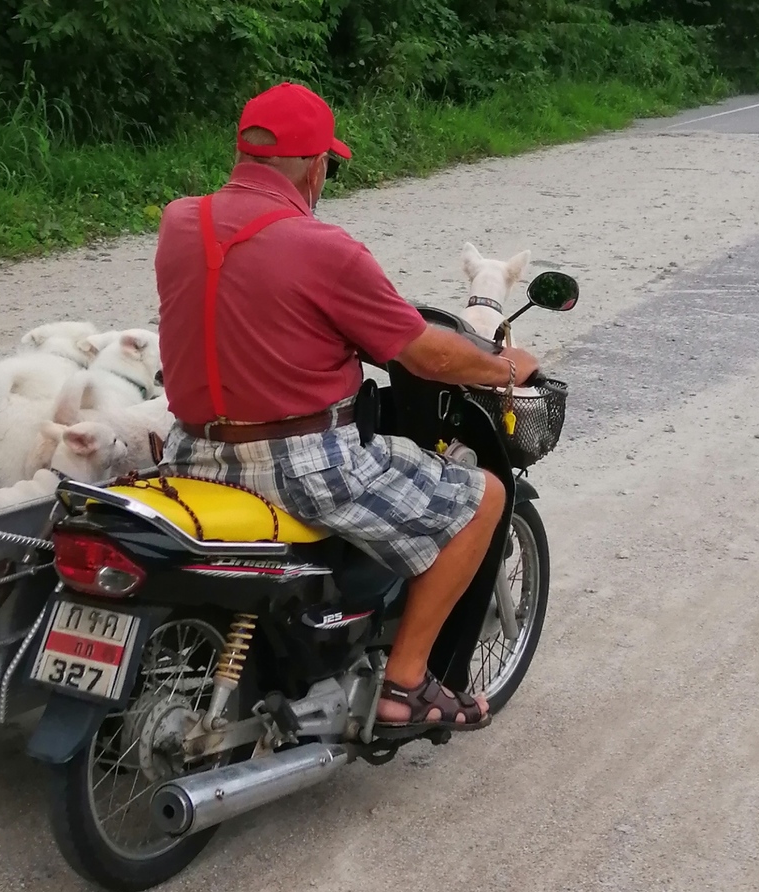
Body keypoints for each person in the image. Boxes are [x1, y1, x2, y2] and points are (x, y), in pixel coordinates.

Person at [155, 81, 539, 740]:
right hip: (303, 464)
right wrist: (506, 366)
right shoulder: (325, 249)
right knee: (482, 497)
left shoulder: (179, 222)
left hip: (191, 450)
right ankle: (406, 682)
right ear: (313, 166)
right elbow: (429, 357)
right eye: (327, 162)